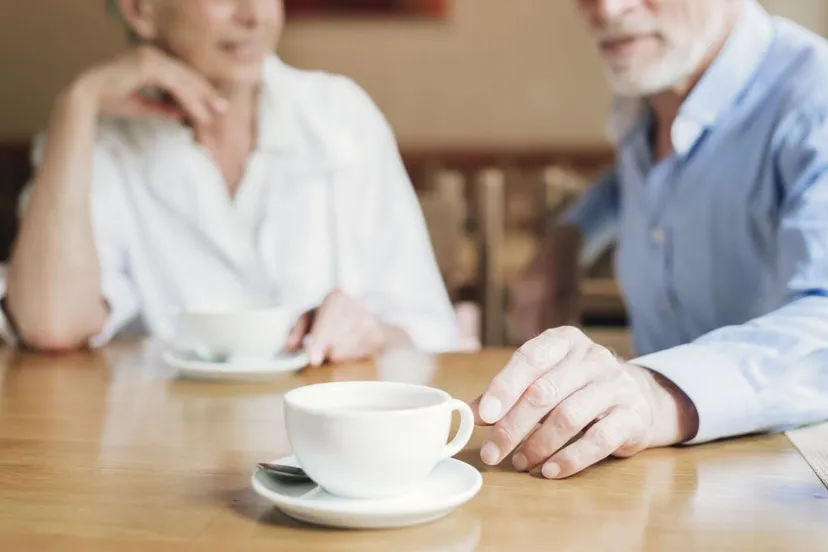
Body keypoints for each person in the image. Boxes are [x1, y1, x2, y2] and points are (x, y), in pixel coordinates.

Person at [472, 0, 828, 479]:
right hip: (649, 487)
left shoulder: (815, 98)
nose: (607, 10)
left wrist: (657, 392)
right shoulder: (648, 100)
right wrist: (568, 238)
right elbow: (635, 181)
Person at [0, 0, 462, 364]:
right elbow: (52, 324)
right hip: (161, 459)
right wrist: (78, 102)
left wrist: (374, 332)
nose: (255, 15)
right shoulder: (98, 147)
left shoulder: (340, 115)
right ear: (141, 9)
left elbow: (430, 334)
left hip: (325, 459)